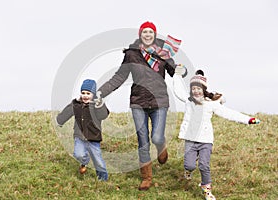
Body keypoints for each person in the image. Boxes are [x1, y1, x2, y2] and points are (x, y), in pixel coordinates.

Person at [95, 21, 187, 190]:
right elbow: (119, 77)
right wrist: (100, 92)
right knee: (143, 140)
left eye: (150, 32)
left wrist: (182, 71)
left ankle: (161, 147)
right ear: (140, 34)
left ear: (154, 35)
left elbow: (174, 69)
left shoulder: (163, 53)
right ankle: (146, 177)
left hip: (159, 101)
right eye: (144, 32)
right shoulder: (132, 54)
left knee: (157, 137)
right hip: (138, 101)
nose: (147, 35)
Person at [178, 70, 260, 200]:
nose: (196, 91)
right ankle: (188, 171)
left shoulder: (211, 104)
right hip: (191, 139)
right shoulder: (189, 101)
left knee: (204, 165)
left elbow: (229, 113)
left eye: (198, 88)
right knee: (190, 165)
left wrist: (248, 120)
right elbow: (178, 92)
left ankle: (207, 191)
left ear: (204, 90)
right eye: (193, 88)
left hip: (205, 140)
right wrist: (177, 75)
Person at [56, 79, 110, 181]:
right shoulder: (77, 104)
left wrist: (100, 104)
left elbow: (103, 115)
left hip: (93, 137)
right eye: (83, 93)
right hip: (79, 136)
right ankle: (84, 161)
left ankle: (103, 179)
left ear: (93, 94)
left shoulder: (96, 105)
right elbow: (67, 112)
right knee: (78, 154)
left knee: (98, 161)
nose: (85, 96)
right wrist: (60, 120)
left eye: (88, 93)